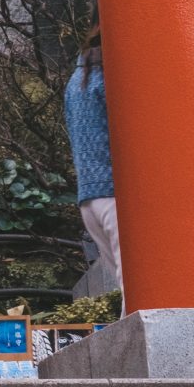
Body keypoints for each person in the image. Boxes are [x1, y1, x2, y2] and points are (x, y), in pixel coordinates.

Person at [64, 24, 120, 289]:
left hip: (89, 194)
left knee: (125, 284)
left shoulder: (77, 80)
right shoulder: (110, 79)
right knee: (136, 286)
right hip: (114, 191)